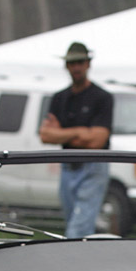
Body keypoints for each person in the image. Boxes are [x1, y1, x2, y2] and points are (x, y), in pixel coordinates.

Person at [39, 42, 113, 238]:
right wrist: (80, 132)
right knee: (73, 221)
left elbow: (97, 141)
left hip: (93, 166)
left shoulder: (102, 97)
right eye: (72, 63)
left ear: (88, 64)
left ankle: (77, 260)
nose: (76, 67)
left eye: (80, 62)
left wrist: (63, 133)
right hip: (68, 165)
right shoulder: (59, 98)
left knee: (77, 230)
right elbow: (45, 135)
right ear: (66, 66)